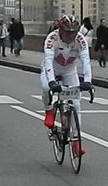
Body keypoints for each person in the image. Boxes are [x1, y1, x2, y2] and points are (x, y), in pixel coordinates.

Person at [40, 14, 93, 156]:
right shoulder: (52, 38)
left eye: (74, 32)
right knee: (46, 88)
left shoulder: (80, 40)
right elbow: (48, 60)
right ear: (61, 30)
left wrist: (88, 81)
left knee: (76, 105)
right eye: (68, 32)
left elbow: (86, 61)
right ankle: (49, 111)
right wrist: (51, 81)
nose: (71, 36)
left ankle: (76, 141)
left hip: (69, 71)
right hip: (51, 68)